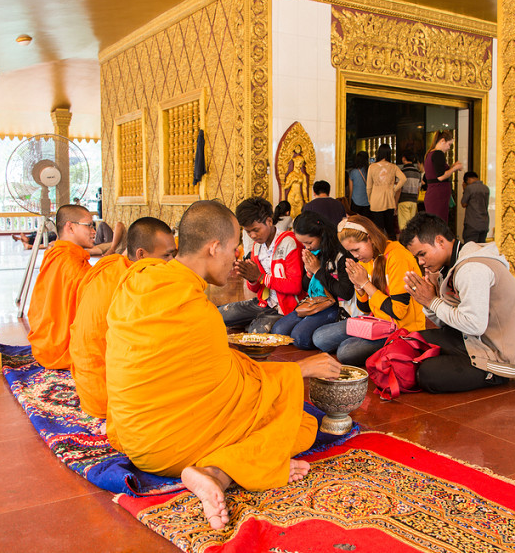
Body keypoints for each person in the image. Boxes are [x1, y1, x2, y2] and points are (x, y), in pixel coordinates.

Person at [105, 200, 341, 529]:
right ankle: (225, 468)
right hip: (171, 449)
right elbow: (238, 390)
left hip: (135, 439)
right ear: (214, 248)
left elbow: (206, 372)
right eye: (233, 248)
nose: (236, 258)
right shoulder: (198, 313)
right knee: (299, 425)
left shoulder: (137, 282)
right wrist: (297, 370)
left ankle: (213, 474)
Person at [399, 213, 515, 392]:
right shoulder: (450, 266)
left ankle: (493, 376)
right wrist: (429, 302)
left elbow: (473, 325)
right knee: (411, 341)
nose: (421, 262)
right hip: (473, 339)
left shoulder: (471, 269)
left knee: (427, 373)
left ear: (440, 241)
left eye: (422, 254)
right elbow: (448, 324)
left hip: (499, 356)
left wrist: (433, 302)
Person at [68, 217, 176, 420]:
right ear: (141, 254)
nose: (171, 262)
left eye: (173, 255)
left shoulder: (112, 266)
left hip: (89, 384)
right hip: (110, 395)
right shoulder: (134, 282)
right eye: (166, 256)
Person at [312, 215, 425, 365]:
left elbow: (398, 312)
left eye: (356, 249)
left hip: (400, 330)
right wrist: (359, 288)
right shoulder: (367, 259)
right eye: (350, 252)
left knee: (345, 352)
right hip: (376, 322)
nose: (355, 255)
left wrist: (365, 283)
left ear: (370, 238)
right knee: (319, 337)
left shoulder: (397, 256)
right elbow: (364, 309)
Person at [218, 197, 304, 333]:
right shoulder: (257, 248)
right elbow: (256, 288)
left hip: (284, 307)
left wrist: (261, 277)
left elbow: (295, 287)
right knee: (219, 314)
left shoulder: (290, 243)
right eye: (248, 231)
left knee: (256, 334)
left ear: (269, 221)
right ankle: (252, 321)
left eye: (256, 230)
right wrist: (251, 278)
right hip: (263, 303)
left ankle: (252, 323)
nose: (252, 235)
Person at [271, 211, 355, 349]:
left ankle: (323, 332)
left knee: (300, 338)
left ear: (321, 234)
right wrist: (310, 273)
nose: (307, 247)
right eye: (303, 243)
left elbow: (345, 293)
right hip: (314, 302)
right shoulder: (314, 252)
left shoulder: (340, 253)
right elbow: (305, 287)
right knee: (278, 331)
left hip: (334, 306)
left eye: (309, 242)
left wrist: (318, 271)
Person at [27, 204, 96, 369]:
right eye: (89, 226)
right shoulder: (70, 262)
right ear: (70, 227)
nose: (94, 231)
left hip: (44, 344)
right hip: (62, 348)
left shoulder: (58, 254)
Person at [366, 144, 406, 240]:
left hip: (376, 201)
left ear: (378, 153)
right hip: (389, 201)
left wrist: (370, 199)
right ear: (389, 154)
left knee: (378, 230)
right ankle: (393, 250)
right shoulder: (393, 167)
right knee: (390, 229)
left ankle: (380, 251)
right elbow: (403, 179)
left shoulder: (372, 167)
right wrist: (393, 189)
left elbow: (368, 187)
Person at [423, 130, 463, 222]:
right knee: (439, 225)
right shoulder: (438, 153)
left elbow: (437, 172)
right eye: (449, 144)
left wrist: (453, 166)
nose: (449, 148)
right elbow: (440, 176)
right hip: (438, 194)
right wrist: (454, 168)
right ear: (442, 141)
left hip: (434, 193)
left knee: (435, 225)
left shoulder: (430, 154)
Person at [460, 171, 490, 243]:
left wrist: (464, 189)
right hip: (484, 223)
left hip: (472, 224)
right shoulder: (486, 188)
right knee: (481, 247)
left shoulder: (469, 188)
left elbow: (463, 204)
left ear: (468, 180)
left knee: (470, 248)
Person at [397, 150, 422, 230]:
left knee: (404, 227)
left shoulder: (401, 172)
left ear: (403, 159)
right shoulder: (418, 173)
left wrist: (395, 202)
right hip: (414, 202)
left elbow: (399, 189)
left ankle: (405, 242)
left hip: (403, 201)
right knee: (412, 227)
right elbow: (418, 189)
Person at [348, 151, 371, 219]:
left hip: (355, 202)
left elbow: (351, 190)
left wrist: (349, 202)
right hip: (368, 203)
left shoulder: (353, 172)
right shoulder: (370, 171)